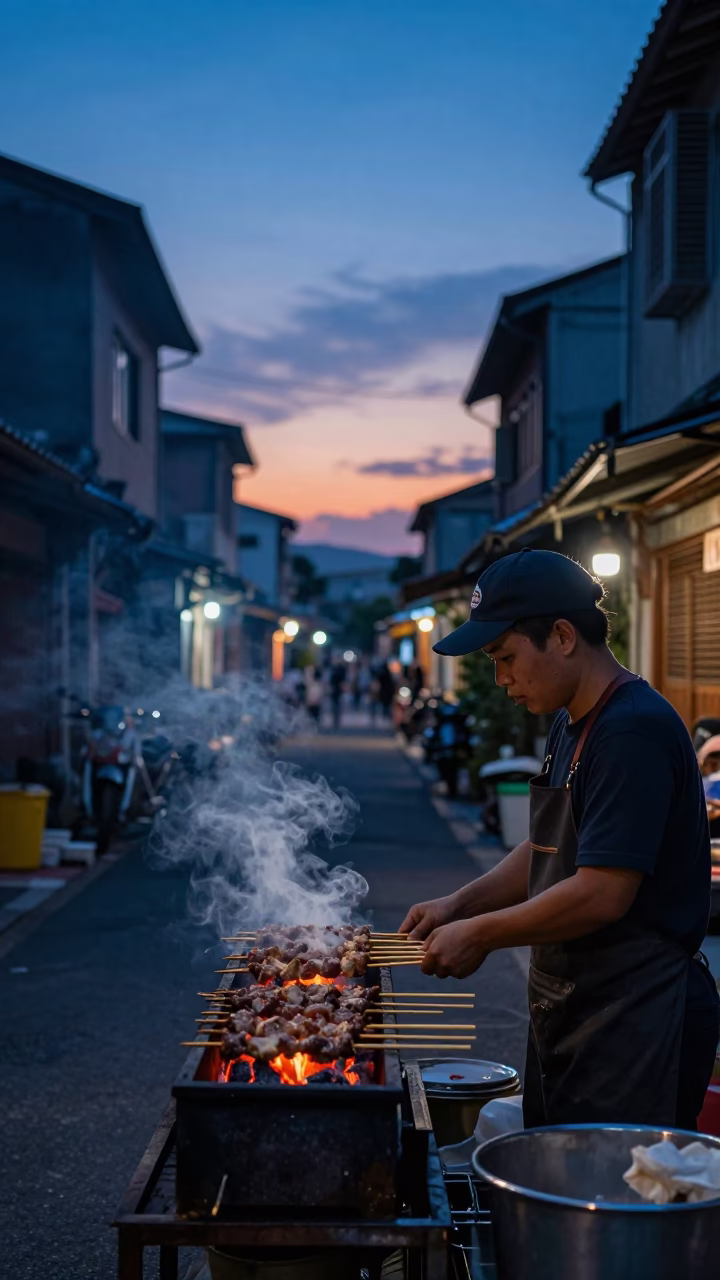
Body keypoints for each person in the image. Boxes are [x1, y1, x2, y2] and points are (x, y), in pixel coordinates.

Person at [399, 548, 720, 1130]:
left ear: (564, 636)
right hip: (578, 1004)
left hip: (638, 1016)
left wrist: (481, 935)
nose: (500, 680)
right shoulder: (573, 720)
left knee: (615, 1202)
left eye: (506, 658)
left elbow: (603, 892)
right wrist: (458, 905)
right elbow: (550, 846)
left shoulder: (632, 731)